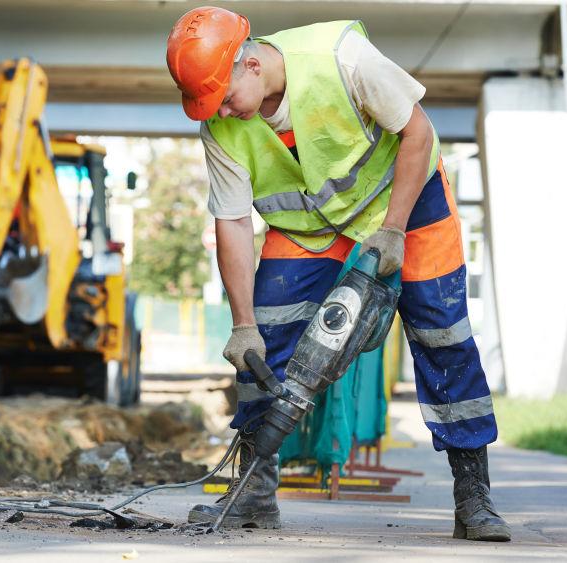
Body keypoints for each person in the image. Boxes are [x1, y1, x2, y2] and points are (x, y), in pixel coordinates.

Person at [166, 6, 510, 541]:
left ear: (250, 64)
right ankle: (253, 495)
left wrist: (394, 230)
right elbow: (232, 222)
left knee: (444, 337)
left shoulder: (339, 56)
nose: (222, 112)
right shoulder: (220, 124)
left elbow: (417, 134)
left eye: (224, 97)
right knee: (264, 340)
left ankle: (474, 498)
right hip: (311, 224)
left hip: (407, 203)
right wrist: (242, 324)